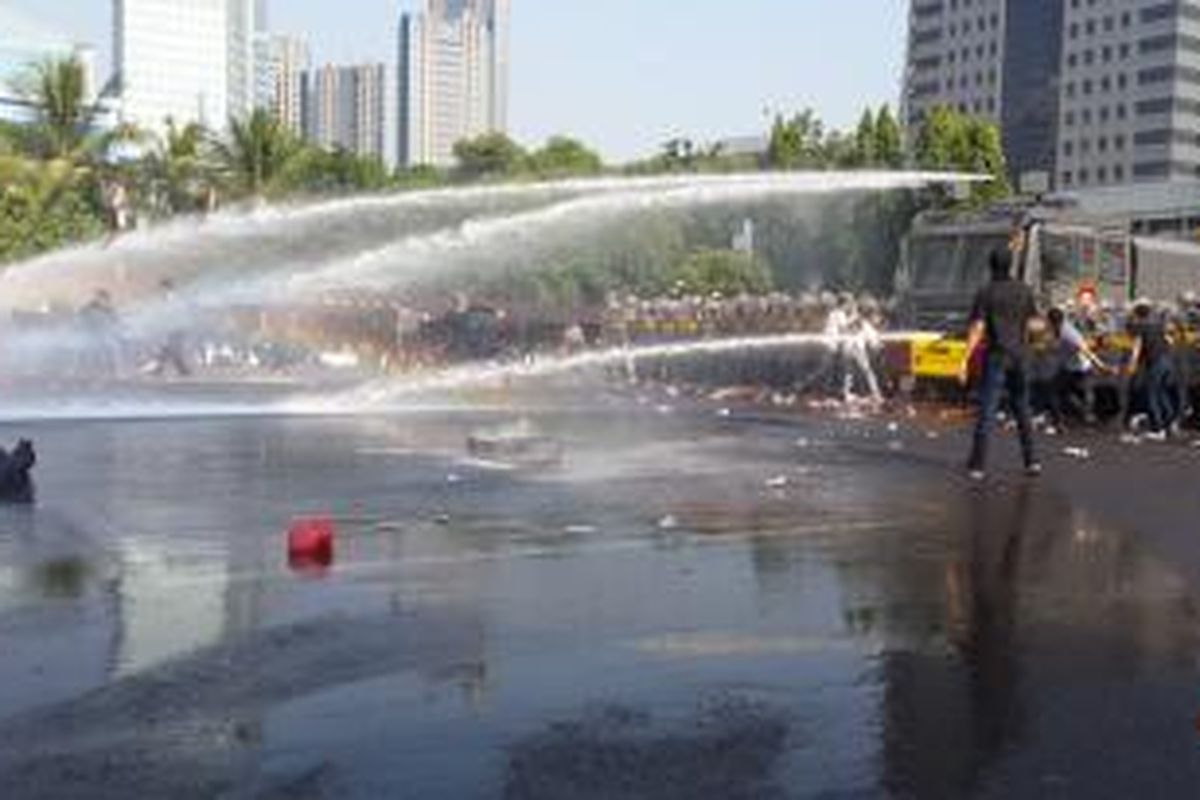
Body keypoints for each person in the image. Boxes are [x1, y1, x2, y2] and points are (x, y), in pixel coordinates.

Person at [958, 244, 1041, 480]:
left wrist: (964, 360)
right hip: (1020, 356)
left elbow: (978, 328)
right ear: (1010, 265)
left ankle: (978, 465)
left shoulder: (986, 292)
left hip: (997, 356)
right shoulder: (1025, 290)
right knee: (1022, 408)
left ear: (990, 265)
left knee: (987, 409)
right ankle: (1032, 461)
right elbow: (1035, 325)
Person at [1045, 306, 1111, 429]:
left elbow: (1085, 349)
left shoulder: (1068, 333)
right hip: (1071, 365)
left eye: (1048, 321)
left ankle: (1065, 419)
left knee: (1056, 390)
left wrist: (1100, 365)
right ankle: (1084, 414)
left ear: (1052, 320)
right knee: (1074, 391)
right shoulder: (1059, 328)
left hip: (1080, 366)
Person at [1125, 299, 1174, 440]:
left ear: (1136, 313)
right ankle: (1169, 424)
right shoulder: (1158, 325)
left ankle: (1158, 429)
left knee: (1152, 395)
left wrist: (1132, 364)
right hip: (1167, 360)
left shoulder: (1140, 326)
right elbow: (1169, 341)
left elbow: (1137, 346)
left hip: (1156, 363)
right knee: (1162, 393)